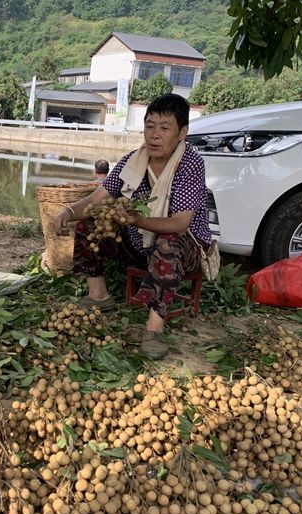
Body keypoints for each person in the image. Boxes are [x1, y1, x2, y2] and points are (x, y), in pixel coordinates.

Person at [52, 94, 210, 359]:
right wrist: (68, 211)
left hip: (186, 249)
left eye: (164, 127)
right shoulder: (131, 162)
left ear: (183, 132)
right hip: (139, 243)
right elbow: (95, 199)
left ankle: (154, 328)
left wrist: (137, 220)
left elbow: (181, 223)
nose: (154, 135)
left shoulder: (190, 164)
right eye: (150, 126)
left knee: (168, 240)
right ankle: (99, 296)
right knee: (91, 220)